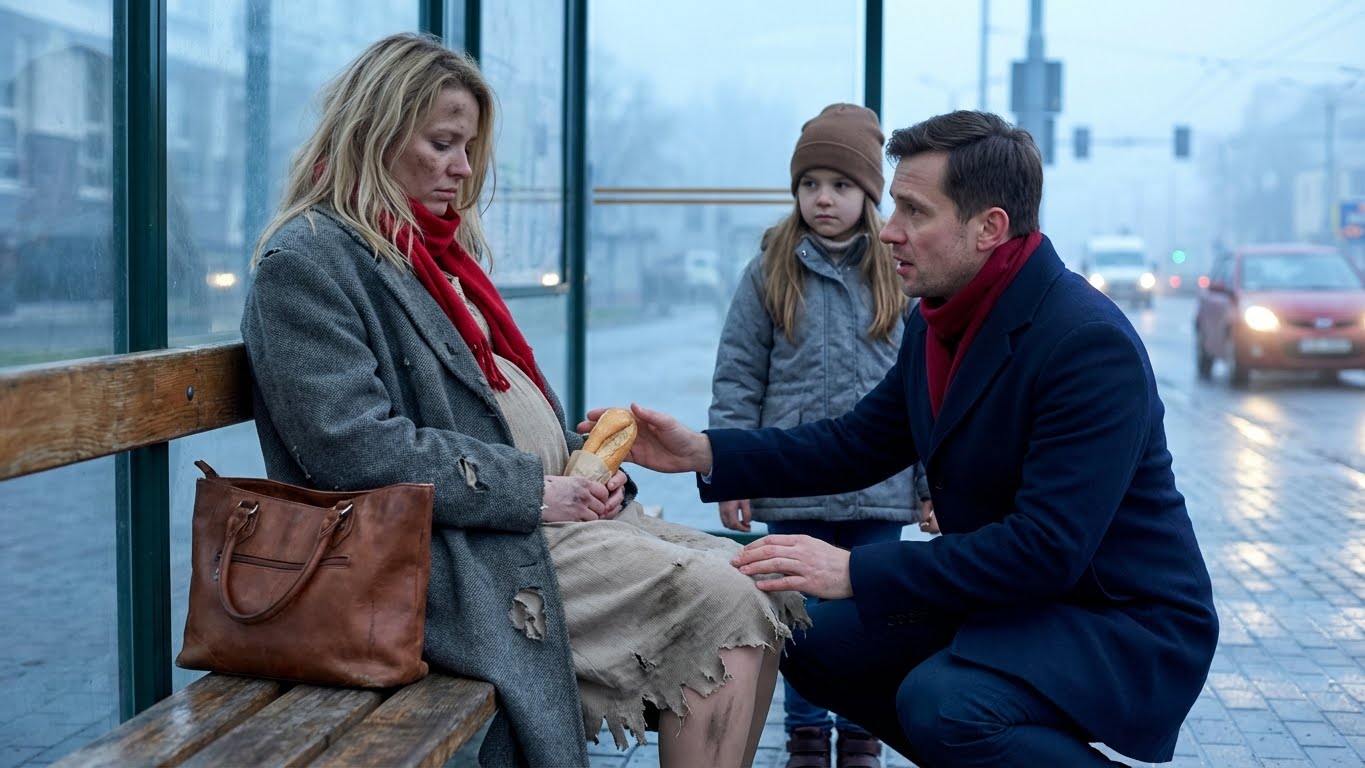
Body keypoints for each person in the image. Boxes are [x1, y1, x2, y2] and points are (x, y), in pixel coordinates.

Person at [240, 32, 807, 768]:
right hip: (450, 559)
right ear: (374, 133)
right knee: (721, 601)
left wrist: (583, 470)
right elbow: (351, 448)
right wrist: (536, 491)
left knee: (756, 575)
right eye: (442, 143)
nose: (462, 167)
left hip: (524, 526)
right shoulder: (308, 263)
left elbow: (491, 408)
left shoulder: (433, 257)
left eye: (468, 147)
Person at [584, 110, 1218, 767]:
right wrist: (707, 452)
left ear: (988, 227)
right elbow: (856, 444)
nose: (888, 231)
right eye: (894, 207)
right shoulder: (938, 323)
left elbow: (1046, 548)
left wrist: (852, 570)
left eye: (914, 211)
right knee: (816, 646)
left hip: (1117, 622)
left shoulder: (1085, 343)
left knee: (946, 706)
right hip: (1017, 597)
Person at [708, 103, 921, 768]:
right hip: (793, 484)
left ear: (869, 194)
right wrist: (734, 470)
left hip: (879, 490)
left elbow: (924, 392)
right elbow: (738, 375)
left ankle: (862, 731)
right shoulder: (770, 270)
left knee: (873, 611)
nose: (823, 198)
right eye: (809, 184)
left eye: (840, 185)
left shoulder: (897, 271)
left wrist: (929, 485)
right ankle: (804, 731)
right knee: (794, 614)